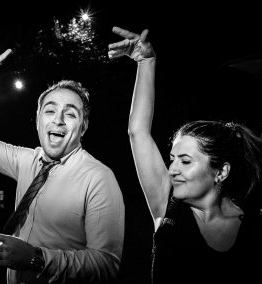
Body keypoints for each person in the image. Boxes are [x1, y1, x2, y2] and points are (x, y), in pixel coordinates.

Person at [0, 37, 125, 284]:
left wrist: (37, 258)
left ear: (84, 126)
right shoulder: (26, 160)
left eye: (70, 114)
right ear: (38, 120)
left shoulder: (98, 177)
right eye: (50, 110)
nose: (58, 119)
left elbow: (106, 265)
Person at [108, 26, 262, 284]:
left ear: (221, 172)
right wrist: (146, 61)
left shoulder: (254, 228)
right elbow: (138, 131)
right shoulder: (166, 204)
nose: (172, 169)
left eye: (186, 161)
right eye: (172, 159)